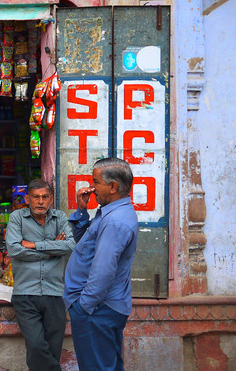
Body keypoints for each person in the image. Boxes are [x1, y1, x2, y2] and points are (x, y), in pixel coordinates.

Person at [63, 157, 139, 371]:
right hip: (100, 309)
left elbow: (103, 270)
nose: (92, 188)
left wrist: (83, 306)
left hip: (97, 310)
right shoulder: (111, 213)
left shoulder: (115, 221)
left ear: (113, 186)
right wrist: (81, 209)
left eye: (96, 182)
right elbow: (85, 244)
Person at [6, 179, 76, 371]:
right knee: (36, 345)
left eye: (45, 197)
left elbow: (70, 245)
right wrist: (53, 248)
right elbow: (14, 250)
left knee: (53, 349)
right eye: (36, 197)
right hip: (25, 294)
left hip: (55, 293)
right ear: (27, 198)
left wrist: (35, 244)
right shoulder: (17, 218)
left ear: (51, 199)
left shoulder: (59, 217)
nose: (40, 201)